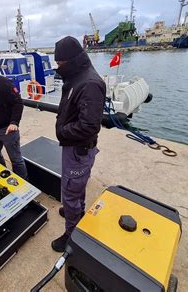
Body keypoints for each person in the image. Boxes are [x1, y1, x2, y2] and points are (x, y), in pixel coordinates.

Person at [51, 36, 106, 252]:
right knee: (76, 187)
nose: (58, 67)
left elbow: (89, 126)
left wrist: (62, 132)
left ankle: (72, 233)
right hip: (73, 147)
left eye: (60, 64)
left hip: (78, 150)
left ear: (71, 61)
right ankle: (78, 212)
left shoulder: (89, 83)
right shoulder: (77, 77)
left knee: (71, 192)